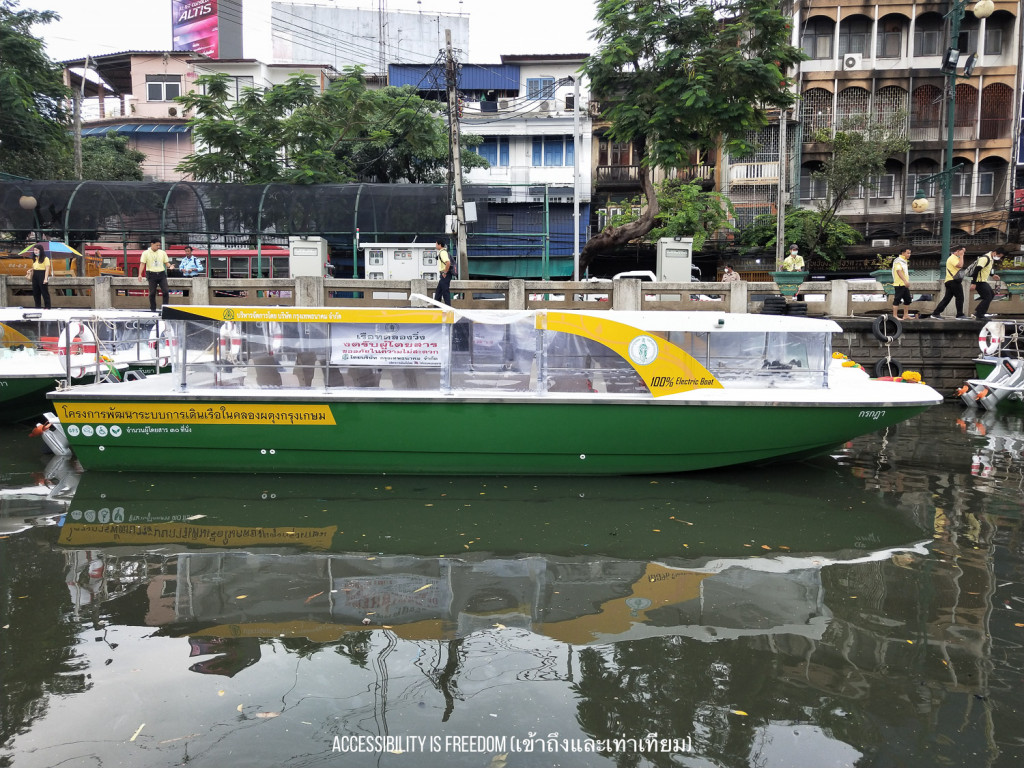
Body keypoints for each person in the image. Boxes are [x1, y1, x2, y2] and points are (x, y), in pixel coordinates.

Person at [929, 245, 968, 319]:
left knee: (947, 299)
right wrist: (962, 256)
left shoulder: (954, 258)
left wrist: (961, 256)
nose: (963, 253)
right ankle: (960, 314)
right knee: (960, 297)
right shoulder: (952, 258)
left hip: (950, 281)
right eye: (962, 251)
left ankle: (936, 313)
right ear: (958, 251)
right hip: (953, 281)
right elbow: (960, 265)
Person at [972, 245, 1006, 320]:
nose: (999, 257)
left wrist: (992, 275)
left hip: (983, 280)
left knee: (991, 295)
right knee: (987, 297)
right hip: (979, 281)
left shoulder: (990, 259)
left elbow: (986, 269)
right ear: (994, 253)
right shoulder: (985, 258)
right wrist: (973, 283)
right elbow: (976, 270)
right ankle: (979, 314)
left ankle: (978, 312)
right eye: (999, 255)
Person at [139, 239, 171, 312]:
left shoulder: (162, 253)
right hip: (151, 274)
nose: (158, 247)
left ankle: (165, 308)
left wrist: (170, 266)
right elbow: (142, 263)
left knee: (165, 291)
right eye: (157, 245)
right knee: (152, 292)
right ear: (152, 244)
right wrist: (140, 274)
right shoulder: (145, 253)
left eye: (159, 245)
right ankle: (153, 308)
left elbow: (166, 262)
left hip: (161, 273)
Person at [27, 245, 52, 309]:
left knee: (44, 291)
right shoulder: (35, 259)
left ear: (40, 250)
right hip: (35, 274)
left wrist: (45, 278)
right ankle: (37, 306)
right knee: (36, 292)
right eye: (34, 250)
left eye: (36, 250)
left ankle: (47, 306)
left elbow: (47, 269)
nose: (35, 251)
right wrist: (30, 270)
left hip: (42, 274)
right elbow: (34, 267)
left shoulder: (45, 259)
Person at [891, 247, 912, 320]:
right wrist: (905, 281)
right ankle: (895, 316)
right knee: (897, 299)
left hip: (904, 285)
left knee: (908, 299)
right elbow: (898, 271)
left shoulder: (904, 261)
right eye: (908, 253)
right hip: (899, 284)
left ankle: (905, 315)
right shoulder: (898, 261)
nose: (909, 255)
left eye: (910, 253)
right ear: (903, 253)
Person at [433, 239, 452, 306]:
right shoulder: (442, 252)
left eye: (436, 244)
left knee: (445, 292)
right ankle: (436, 307)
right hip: (443, 275)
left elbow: (448, 263)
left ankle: (448, 308)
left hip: (445, 274)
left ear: (440, 245)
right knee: (439, 292)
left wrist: (445, 272)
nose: (435, 246)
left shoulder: (442, 252)